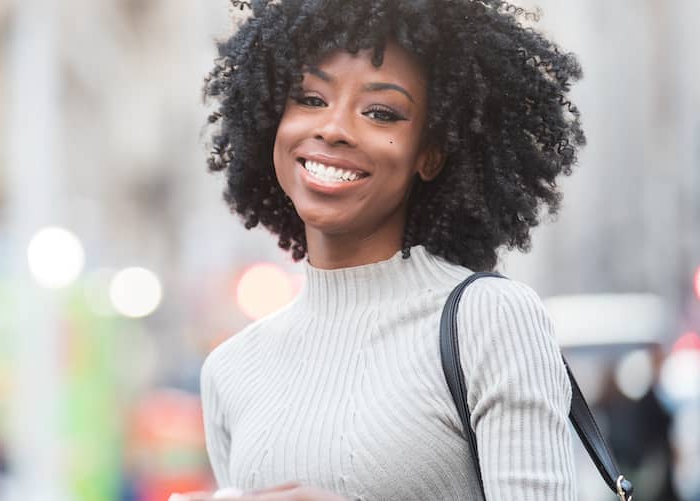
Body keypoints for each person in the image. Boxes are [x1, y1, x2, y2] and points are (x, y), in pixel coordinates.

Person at [192, 0, 585, 499]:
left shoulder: (489, 320)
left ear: (429, 154)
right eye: (310, 99)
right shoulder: (230, 369)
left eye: (381, 113)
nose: (332, 128)